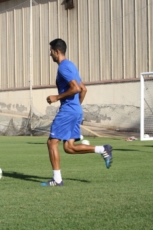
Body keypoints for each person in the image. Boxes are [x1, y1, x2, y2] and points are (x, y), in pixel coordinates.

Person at [41, 38, 113, 187]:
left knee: (52, 142)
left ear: (57, 51)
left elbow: (76, 88)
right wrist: (76, 107)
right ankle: (102, 149)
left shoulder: (63, 67)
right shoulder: (71, 66)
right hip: (75, 111)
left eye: (51, 51)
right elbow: (84, 89)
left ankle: (57, 180)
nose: (50, 55)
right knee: (68, 147)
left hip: (68, 111)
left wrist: (57, 97)